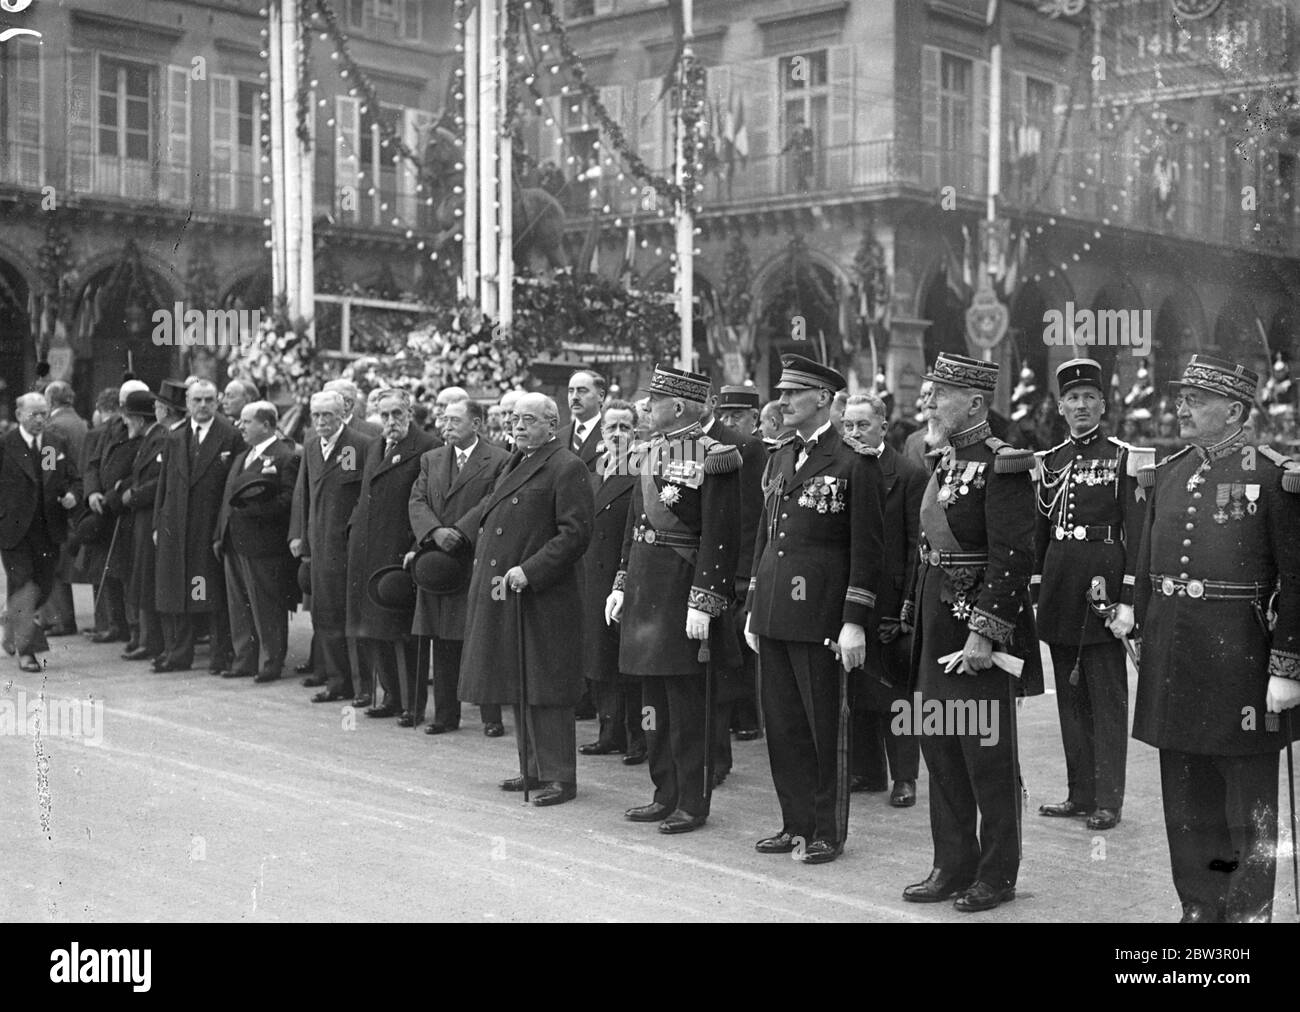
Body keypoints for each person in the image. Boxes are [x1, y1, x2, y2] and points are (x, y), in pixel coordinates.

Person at [1133, 353, 1300, 923]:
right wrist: (1143, 635)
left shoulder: (1273, 476)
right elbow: (1147, 566)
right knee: (1184, 794)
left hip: (1241, 663)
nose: (1181, 408)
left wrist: (1287, 666)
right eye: (1182, 398)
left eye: (1196, 400)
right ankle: (1199, 904)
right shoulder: (1171, 472)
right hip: (1176, 656)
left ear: (1233, 411)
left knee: (1247, 799)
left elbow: (1296, 578)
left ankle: (1250, 911)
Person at [901, 352, 1041, 913]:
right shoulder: (943, 460)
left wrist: (985, 632)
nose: (929, 402)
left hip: (974, 635)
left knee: (987, 757)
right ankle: (952, 863)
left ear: (976, 402)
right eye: (930, 392)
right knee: (940, 748)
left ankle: (997, 873)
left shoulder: (1003, 465)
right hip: (936, 629)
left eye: (940, 394)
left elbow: (1012, 557)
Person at [744, 355, 885, 864]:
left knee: (825, 726)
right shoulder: (781, 456)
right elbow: (766, 537)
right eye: (781, 393)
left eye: (792, 393)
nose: (782, 401)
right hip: (775, 611)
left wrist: (854, 621)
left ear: (823, 398)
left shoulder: (853, 461)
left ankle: (827, 830)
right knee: (782, 727)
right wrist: (753, 605)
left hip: (822, 616)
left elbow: (868, 550)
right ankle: (795, 823)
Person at [607, 366, 742, 833]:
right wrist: (621, 582)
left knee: (686, 707)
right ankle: (663, 792)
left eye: (654, 401)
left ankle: (691, 801)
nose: (647, 408)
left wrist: (705, 599)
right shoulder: (648, 452)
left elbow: (721, 536)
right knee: (653, 705)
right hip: (645, 589)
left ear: (679, 406)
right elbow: (634, 526)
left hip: (682, 590)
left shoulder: (715, 457)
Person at [453, 393, 595, 807]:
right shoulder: (517, 461)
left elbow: (575, 534)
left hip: (544, 595)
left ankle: (559, 777)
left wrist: (531, 570)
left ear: (552, 424)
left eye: (529, 419)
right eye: (515, 418)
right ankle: (531, 768)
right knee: (521, 682)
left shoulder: (566, 466)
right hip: (513, 595)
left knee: (547, 687)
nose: (518, 425)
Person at [1032, 358, 1150, 832]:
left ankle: (1108, 800)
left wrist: (1129, 602)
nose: (1080, 405)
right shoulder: (1050, 461)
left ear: (1103, 405)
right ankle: (1079, 794)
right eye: (1072, 398)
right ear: (1061, 406)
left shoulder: (1123, 458)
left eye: (1089, 397)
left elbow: (1137, 536)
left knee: (1106, 700)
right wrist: (1038, 591)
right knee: (1070, 699)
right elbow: (1040, 534)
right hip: (1061, 587)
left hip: (1103, 589)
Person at [407, 397, 510, 735]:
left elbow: (493, 499)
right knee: (442, 639)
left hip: (474, 557)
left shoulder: (499, 459)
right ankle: (445, 715)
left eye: (454, 420)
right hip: (438, 559)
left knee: (481, 639)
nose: (446, 426)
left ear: (476, 424)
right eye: (444, 419)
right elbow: (417, 500)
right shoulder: (432, 458)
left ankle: (491, 717)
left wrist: (461, 531)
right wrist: (435, 532)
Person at [842, 392, 926, 806]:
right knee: (857, 684)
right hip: (851, 593)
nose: (855, 433)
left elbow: (915, 548)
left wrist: (908, 606)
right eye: (848, 425)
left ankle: (904, 777)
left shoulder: (908, 474)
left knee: (896, 691)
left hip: (891, 598)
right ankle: (867, 770)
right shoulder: (842, 468)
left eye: (863, 425)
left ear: (883, 427)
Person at [345, 388, 438, 724]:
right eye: (384, 415)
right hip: (368, 548)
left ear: (409, 413)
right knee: (375, 628)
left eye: (397, 413)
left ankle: (413, 705)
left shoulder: (427, 446)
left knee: (405, 633)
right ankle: (391, 696)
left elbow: (428, 501)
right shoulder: (376, 446)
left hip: (400, 550)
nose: (390, 421)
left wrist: (416, 547)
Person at [152, 379, 245, 673]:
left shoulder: (229, 436)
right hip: (176, 526)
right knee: (178, 591)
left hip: (208, 528)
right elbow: (164, 484)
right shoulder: (176, 436)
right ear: (187, 403)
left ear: (217, 402)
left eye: (208, 400)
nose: (203, 405)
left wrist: (223, 529)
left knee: (207, 592)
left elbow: (234, 487)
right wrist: (158, 523)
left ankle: (220, 655)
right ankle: (179, 654)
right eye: (197, 400)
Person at [290, 390, 373, 703]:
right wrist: (302, 538)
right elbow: (305, 495)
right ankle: (338, 682)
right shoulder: (312, 445)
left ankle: (363, 687)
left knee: (353, 619)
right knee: (325, 615)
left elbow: (366, 496)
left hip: (349, 547)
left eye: (327, 415)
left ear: (342, 415)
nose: (321, 421)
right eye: (316, 415)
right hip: (320, 546)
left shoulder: (361, 445)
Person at [702, 385, 767, 770]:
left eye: (736, 415)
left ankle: (744, 719)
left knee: (735, 649)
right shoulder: (694, 444)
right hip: (709, 561)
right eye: (724, 414)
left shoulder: (750, 448)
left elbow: (751, 513)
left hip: (737, 564)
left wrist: (745, 571)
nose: (728, 421)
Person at [214, 401, 300, 682]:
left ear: (266, 425)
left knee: (266, 606)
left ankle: (270, 661)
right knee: (239, 606)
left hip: (264, 545)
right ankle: (244, 660)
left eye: (246, 421)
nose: (240, 427)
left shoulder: (285, 456)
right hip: (234, 542)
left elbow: (289, 500)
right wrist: (220, 534)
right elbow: (227, 498)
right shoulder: (243, 456)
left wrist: (255, 512)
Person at [578, 401, 645, 763]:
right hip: (593, 575)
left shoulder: (643, 469)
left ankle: (637, 739)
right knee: (600, 658)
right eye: (611, 427)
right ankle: (610, 733)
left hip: (625, 573)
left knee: (626, 662)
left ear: (636, 432)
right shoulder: (595, 470)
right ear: (601, 432)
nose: (617, 434)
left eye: (624, 427)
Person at [0, 393, 80, 672]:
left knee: (43, 588)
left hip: (48, 529)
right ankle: (28, 652)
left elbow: (70, 478)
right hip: (14, 531)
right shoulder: (6, 444)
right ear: (19, 415)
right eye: (33, 414)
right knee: (24, 585)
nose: (39, 419)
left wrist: (71, 495)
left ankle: (11, 623)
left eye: (43, 413)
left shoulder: (53, 444)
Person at [121, 383, 181, 662]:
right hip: (142, 517)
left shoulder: (162, 437)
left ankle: (150, 640)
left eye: (129, 417)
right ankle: (144, 638)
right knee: (142, 577)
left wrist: (135, 494)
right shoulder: (152, 436)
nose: (125, 422)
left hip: (150, 514)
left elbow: (160, 479)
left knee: (147, 578)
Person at [39, 380, 88, 636]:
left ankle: (59, 619)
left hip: (60, 499)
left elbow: (49, 469)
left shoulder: (53, 427)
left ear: (50, 401)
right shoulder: (80, 422)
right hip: (79, 495)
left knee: (52, 560)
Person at [563, 369, 606, 472]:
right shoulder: (559, 437)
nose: (574, 397)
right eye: (571, 391)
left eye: (582, 391)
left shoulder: (613, 436)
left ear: (600, 396)